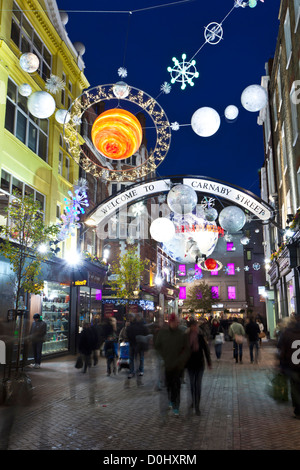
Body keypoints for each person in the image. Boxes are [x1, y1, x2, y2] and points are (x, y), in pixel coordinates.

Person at [154, 313, 190, 417]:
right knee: (169, 385)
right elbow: (157, 346)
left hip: (178, 366)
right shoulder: (163, 333)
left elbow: (186, 349)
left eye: (177, 322)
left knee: (177, 386)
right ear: (170, 322)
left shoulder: (181, 334)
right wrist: (163, 356)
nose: (176, 323)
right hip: (168, 364)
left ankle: (176, 406)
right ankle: (171, 401)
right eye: (174, 322)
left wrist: (182, 360)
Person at [186, 318, 212, 416]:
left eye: (196, 326)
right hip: (190, 364)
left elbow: (206, 350)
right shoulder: (186, 337)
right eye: (194, 326)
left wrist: (209, 362)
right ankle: (193, 401)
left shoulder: (200, 337)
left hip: (200, 364)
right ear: (191, 327)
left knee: (198, 385)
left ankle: (197, 405)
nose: (196, 328)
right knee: (192, 385)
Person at [277, 313, 300, 419]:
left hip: (293, 366)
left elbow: (281, 349)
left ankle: (298, 409)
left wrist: (282, 363)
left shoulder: (287, 334)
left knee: (295, 388)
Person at [126, 312, 150, 380]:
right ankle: (132, 371)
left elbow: (145, 334)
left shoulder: (142, 324)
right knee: (132, 358)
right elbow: (128, 332)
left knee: (140, 358)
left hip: (139, 343)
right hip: (132, 343)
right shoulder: (132, 324)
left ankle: (140, 370)